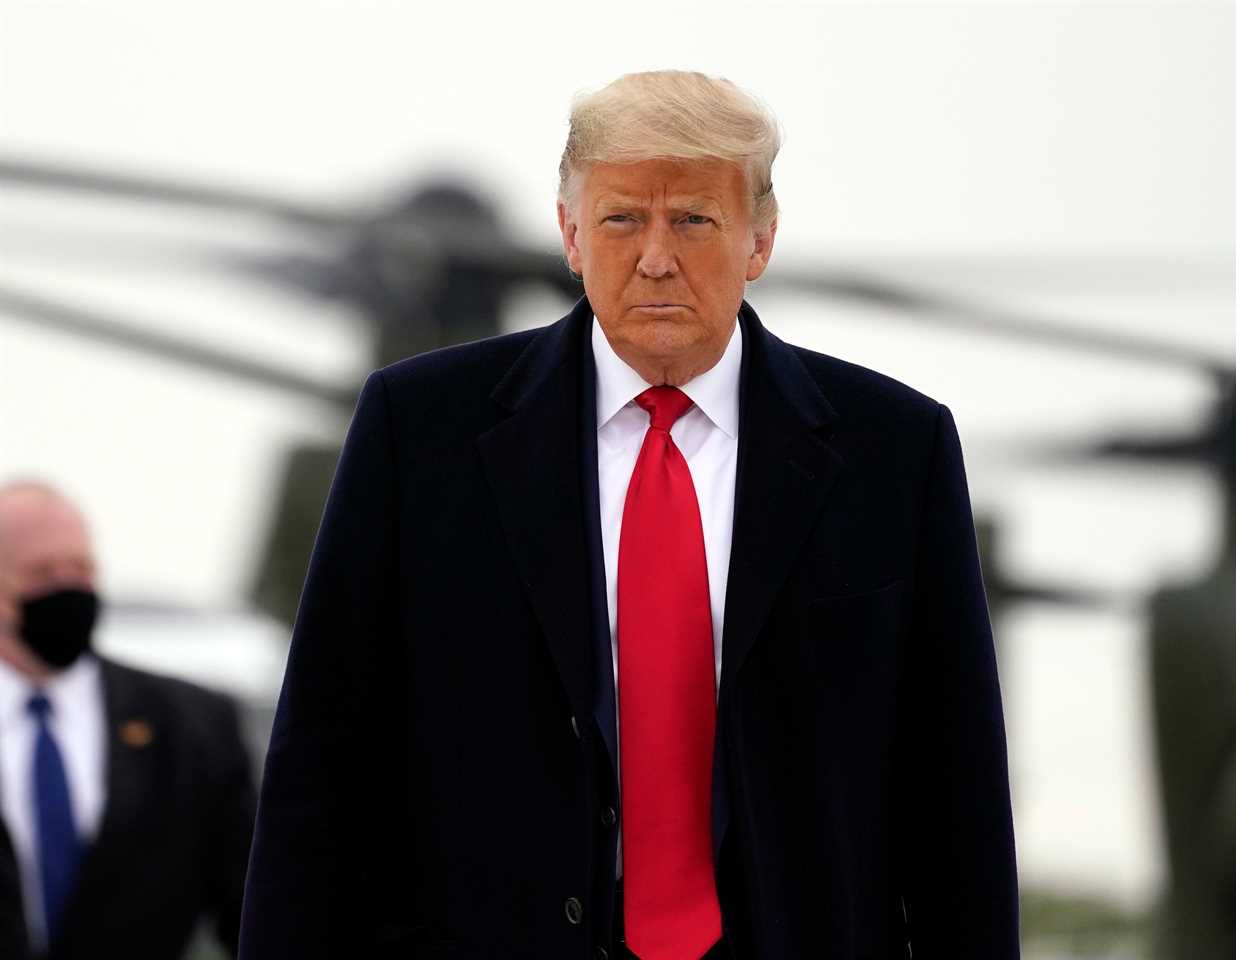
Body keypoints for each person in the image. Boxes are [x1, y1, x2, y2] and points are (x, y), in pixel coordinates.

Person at [240, 70, 1019, 959]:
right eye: (621, 220)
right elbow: (321, 765)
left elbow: (956, 799)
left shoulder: (894, 451)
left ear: (760, 238)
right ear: (570, 234)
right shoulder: (417, 434)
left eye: (692, 219)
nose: (656, 257)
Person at [0, 480, 257, 960]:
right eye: (41, 573)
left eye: (80, 568)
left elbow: (251, 906)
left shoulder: (194, 726)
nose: (67, 586)